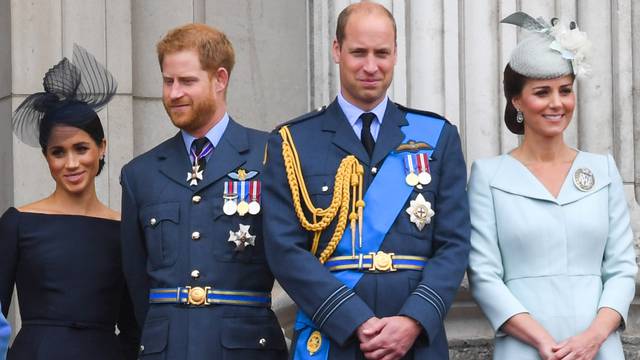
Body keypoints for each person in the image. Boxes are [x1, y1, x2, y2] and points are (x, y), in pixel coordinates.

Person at [262, 2, 470, 359]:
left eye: (382, 53)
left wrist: (413, 320)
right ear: (337, 51)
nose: (371, 66)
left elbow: (454, 244)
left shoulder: (437, 136)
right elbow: (284, 250)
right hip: (334, 338)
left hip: (414, 342)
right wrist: (354, 320)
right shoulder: (293, 142)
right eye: (359, 52)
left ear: (396, 54)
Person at [467, 12, 638, 360]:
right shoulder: (488, 177)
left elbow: (621, 268)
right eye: (542, 92)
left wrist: (592, 337)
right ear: (517, 101)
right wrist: (544, 342)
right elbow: (484, 276)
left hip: (599, 349)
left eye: (565, 90)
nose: (557, 103)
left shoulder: (601, 170)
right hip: (524, 348)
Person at [120, 23, 287, 359]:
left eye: (187, 81)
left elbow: (295, 258)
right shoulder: (140, 173)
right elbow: (136, 282)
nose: (174, 93)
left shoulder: (272, 155)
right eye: (168, 81)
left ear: (220, 79)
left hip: (246, 348)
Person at [0, 45, 139, 360]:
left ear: (101, 147)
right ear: (46, 156)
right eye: (58, 152)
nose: (71, 163)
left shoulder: (125, 229)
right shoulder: (17, 222)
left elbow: (135, 327)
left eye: (81, 148)